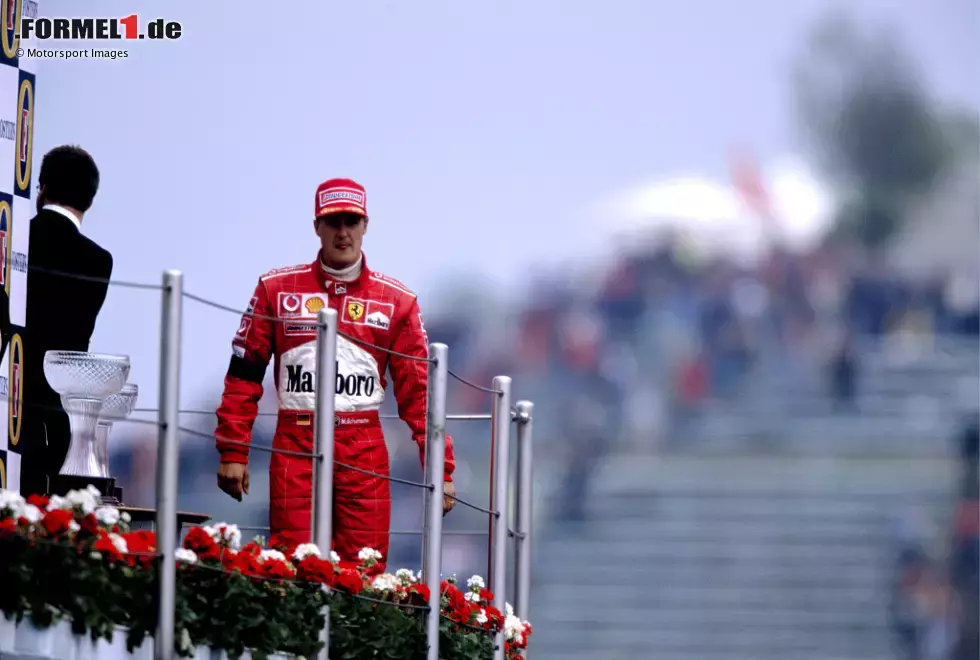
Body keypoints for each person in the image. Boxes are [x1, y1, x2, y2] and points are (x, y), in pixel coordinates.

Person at [214, 177, 456, 571]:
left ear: (365, 225)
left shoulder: (398, 301)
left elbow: (420, 394)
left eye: (351, 221)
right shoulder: (275, 289)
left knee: (365, 571)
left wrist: (439, 468)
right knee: (290, 569)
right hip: (295, 441)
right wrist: (233, 449)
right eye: (333, 222)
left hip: (363, 447)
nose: (342, 232)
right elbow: (244, 373)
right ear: (317, 226)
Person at [20, 145, 113, 496]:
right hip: (59, 410)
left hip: (12, 393)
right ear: (89, 198)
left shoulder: (17, 240)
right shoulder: (98, 260)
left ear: (41, 187)